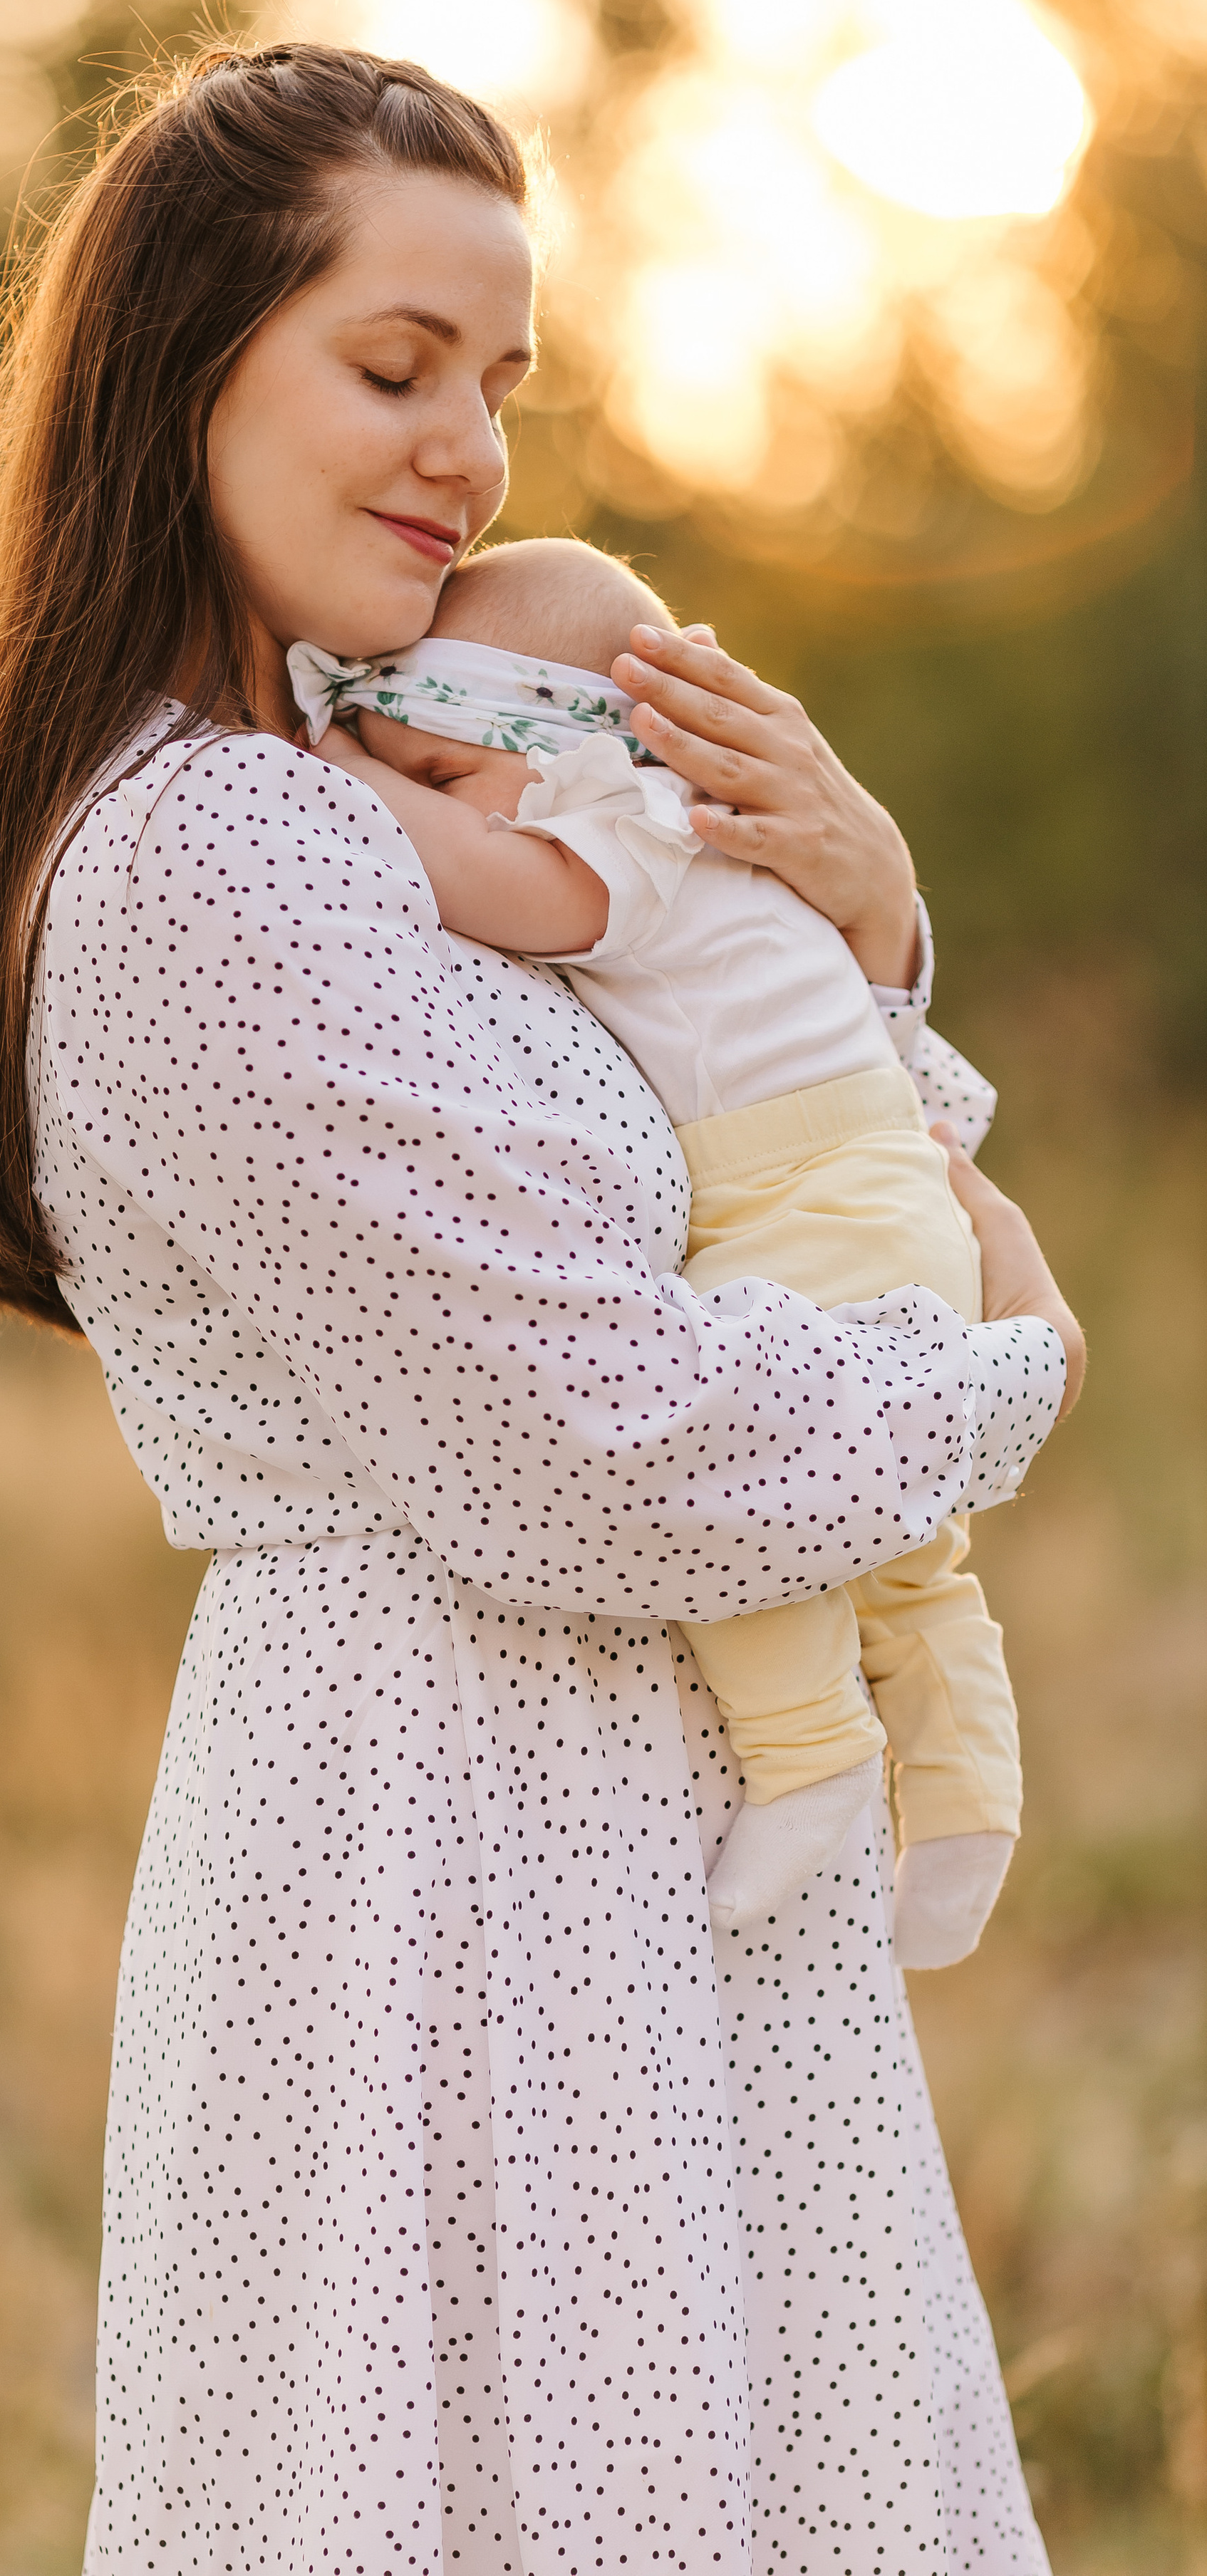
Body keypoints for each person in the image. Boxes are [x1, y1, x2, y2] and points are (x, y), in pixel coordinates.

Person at [0, 42, 1082, 2574]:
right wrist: (995, 1383)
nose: (468, 457)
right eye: (392, 367)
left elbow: (742, 1158)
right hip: (467, 1851)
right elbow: (598, 1442)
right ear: (178, 371)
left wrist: (869, 928)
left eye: (498, 387)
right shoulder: (224, 860)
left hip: (618, 1832)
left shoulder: (390, 795)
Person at [289, 539, 1025, 1965]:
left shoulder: (634, 833)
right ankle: (964, 1800)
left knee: (750, 1507)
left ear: (562, 744)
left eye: (438, 771)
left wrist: (328, 763)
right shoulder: (685, 844)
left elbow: (492, 881)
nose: (417, 798)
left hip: (802, 1200)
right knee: (907, 1558)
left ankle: (807, 1752)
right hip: (869, 1194)